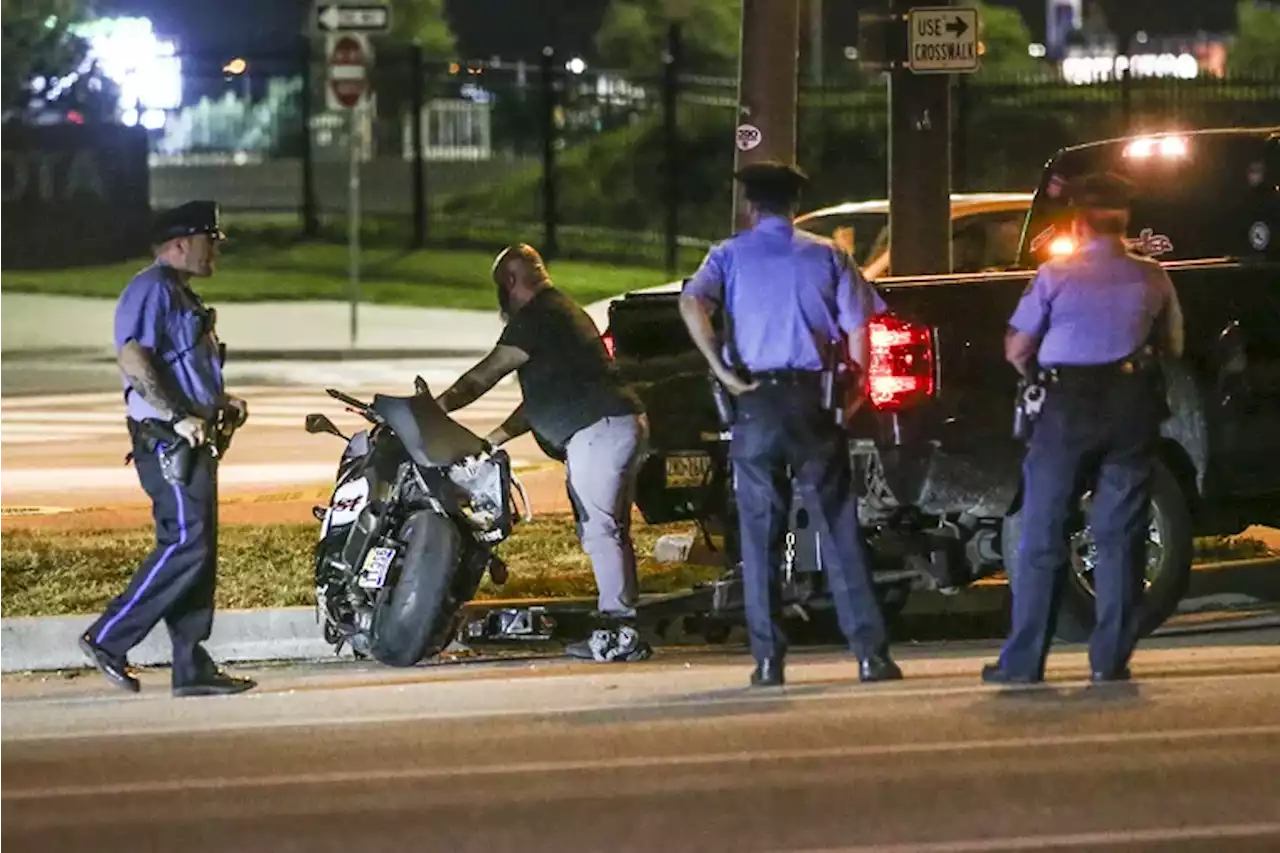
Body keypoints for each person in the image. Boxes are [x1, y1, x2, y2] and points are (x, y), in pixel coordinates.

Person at [678, 160, 903, 688]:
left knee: (758, 536)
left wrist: (721, 370)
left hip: (755, 402)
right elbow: (861, 331)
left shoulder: (728, 255)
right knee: (840, 528)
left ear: (750, 208)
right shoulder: (828, 256)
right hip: (814, 401)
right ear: (795, 207)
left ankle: (768, 661)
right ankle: (870, 656)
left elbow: (691, 302)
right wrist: (855, 393)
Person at [985, 172, 1185, 686]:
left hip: (1066, 407)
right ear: (1125, 221)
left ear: (1077, 219)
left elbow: (1015, 348)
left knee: (1044, 532)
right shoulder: (1152, 276)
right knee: (1121, 535)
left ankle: (1024, 662)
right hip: (1131, 406)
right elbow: (1175, 345)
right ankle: (1110, 659)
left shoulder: (1055, 274)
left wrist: (1036, 373)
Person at [436, 244, 653, 663]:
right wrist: (493, 438)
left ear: (511, 282)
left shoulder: (535, 318)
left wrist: (435, 409)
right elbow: (541, 401)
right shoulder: (563, 312)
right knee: (612, 530)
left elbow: (481, 377)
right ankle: (622, 626)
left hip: (600, 430)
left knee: (600, 530)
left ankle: (618, 631)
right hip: (622, 423)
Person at [79, 201, 256, 698]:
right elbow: (134, 357)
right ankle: (108, 637)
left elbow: (180, 365)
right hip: (167, 441)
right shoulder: (152, 288)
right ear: (179, 244)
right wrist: (179, 417)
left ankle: (191, 665)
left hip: (190, 437)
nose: (216, 247)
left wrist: (220, 400)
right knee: (186, 542)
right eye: (209, 239)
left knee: (200, 551)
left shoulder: (180, 294)